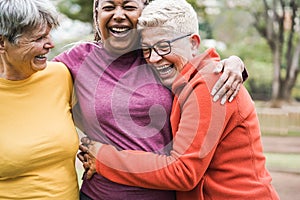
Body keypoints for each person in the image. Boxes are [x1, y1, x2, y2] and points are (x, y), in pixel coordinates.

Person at [80, 0, 280, 199]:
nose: (154, 58)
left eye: (164, 46)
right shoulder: (184, 81)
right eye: (147, 50)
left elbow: (183, 171)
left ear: (193, 43)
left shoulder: (210, 84)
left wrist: (104, 158)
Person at [0, 0, 79, 199]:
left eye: (49, 34)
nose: (50, 44)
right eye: (38, 38)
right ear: (2, 43)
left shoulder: (60, 75)